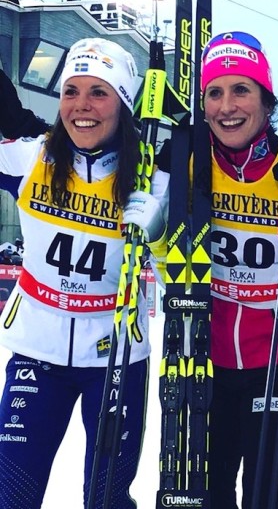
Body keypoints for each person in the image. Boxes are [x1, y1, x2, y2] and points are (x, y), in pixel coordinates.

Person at [150, 31, 278, 508]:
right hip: (200, 361)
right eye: (214, 92)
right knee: (203, 495)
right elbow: (159, 257)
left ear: (266, 99)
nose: (226, 106)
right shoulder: (184, 159)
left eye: (241, 89)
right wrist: (156, 227)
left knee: (272, 496)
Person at [0, 38, 169, 508]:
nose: (82, 106)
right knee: (11, 495)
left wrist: (159, 235)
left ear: (124, 103)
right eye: (71, 91)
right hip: (37, 351)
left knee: (107, 499)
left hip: (116, 355)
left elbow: (184, 272)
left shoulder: (154, 178)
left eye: (99, 91)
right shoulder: (31, 158)